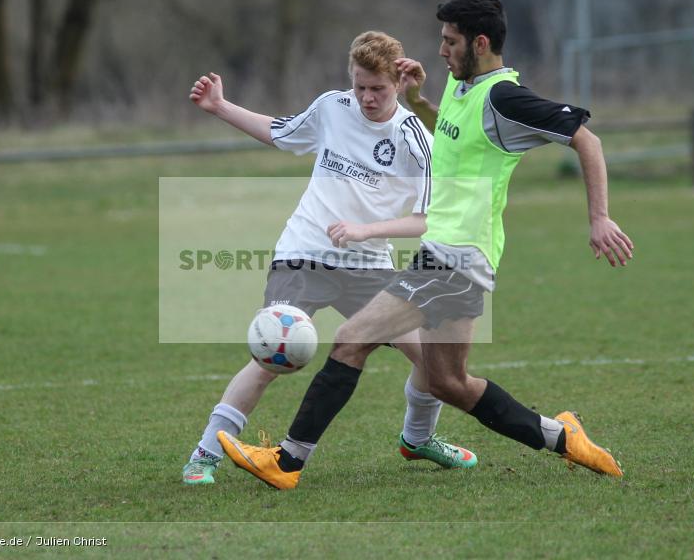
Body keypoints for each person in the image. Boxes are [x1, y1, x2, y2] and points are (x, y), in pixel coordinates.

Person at [218, 0, 635, 489]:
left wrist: (600, 218)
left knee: (351, 341)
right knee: (449, 383)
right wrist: (418, 101)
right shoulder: (464, 88)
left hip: (456, 258)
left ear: (480, 43)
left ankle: (287, 463)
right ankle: (562, 437)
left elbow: (586, 139)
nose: (440, 50)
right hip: (449, 256)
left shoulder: (505, 97)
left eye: (450, 41)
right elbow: (456, 138)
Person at [182, 31, 477, 486]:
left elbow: (427, 221)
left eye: (376, 88)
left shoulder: (416, 137)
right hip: (303, 252)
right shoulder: (332, 107)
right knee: (273, 355)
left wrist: (367, 231)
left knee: (433, 361)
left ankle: (417, 440)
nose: (366, 98)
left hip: (369, 264)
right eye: (359, 86)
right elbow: (280, 133)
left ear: (398, 83)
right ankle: (205, 453)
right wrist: (220, 107)